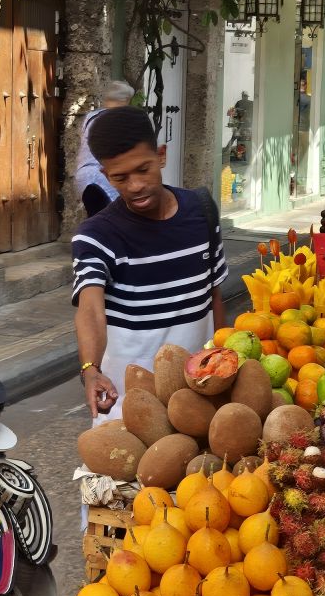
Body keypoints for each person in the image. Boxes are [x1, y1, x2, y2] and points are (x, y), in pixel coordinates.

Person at [72, 107, 228, 420]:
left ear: (161, 155)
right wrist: (90, 370)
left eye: (143, 169)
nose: (135, 185)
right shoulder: (97, 235)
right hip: (126, 409)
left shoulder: (202, 212)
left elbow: (214, 296)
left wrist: (227, 360)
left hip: (198, 399)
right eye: (120, 177)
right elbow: (90, 308)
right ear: (105, 176)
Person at [74, 80, 136, 217]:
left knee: (96, 218)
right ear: (124, 101)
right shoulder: (115, 120)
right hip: (102, 177)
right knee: (113, 218)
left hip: (83, 175)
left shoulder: (91, 117)